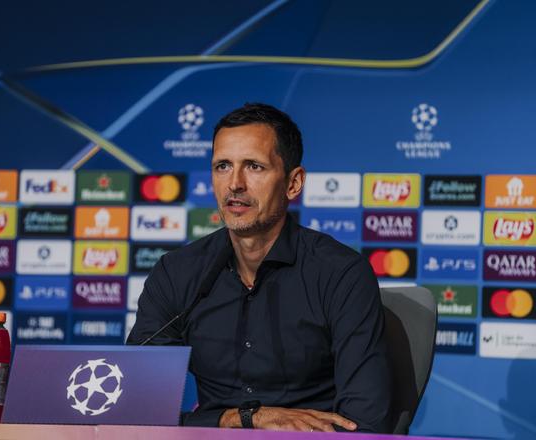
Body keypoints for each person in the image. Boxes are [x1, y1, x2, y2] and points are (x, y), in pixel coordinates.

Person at [126, 103, 391, 432]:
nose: (234, 184)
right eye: (223, 166)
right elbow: (135, 407)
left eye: (254, 166)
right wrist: (240, 419)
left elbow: (364, 423)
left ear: (293, 183)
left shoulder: (341, 274)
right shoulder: (176, 273)